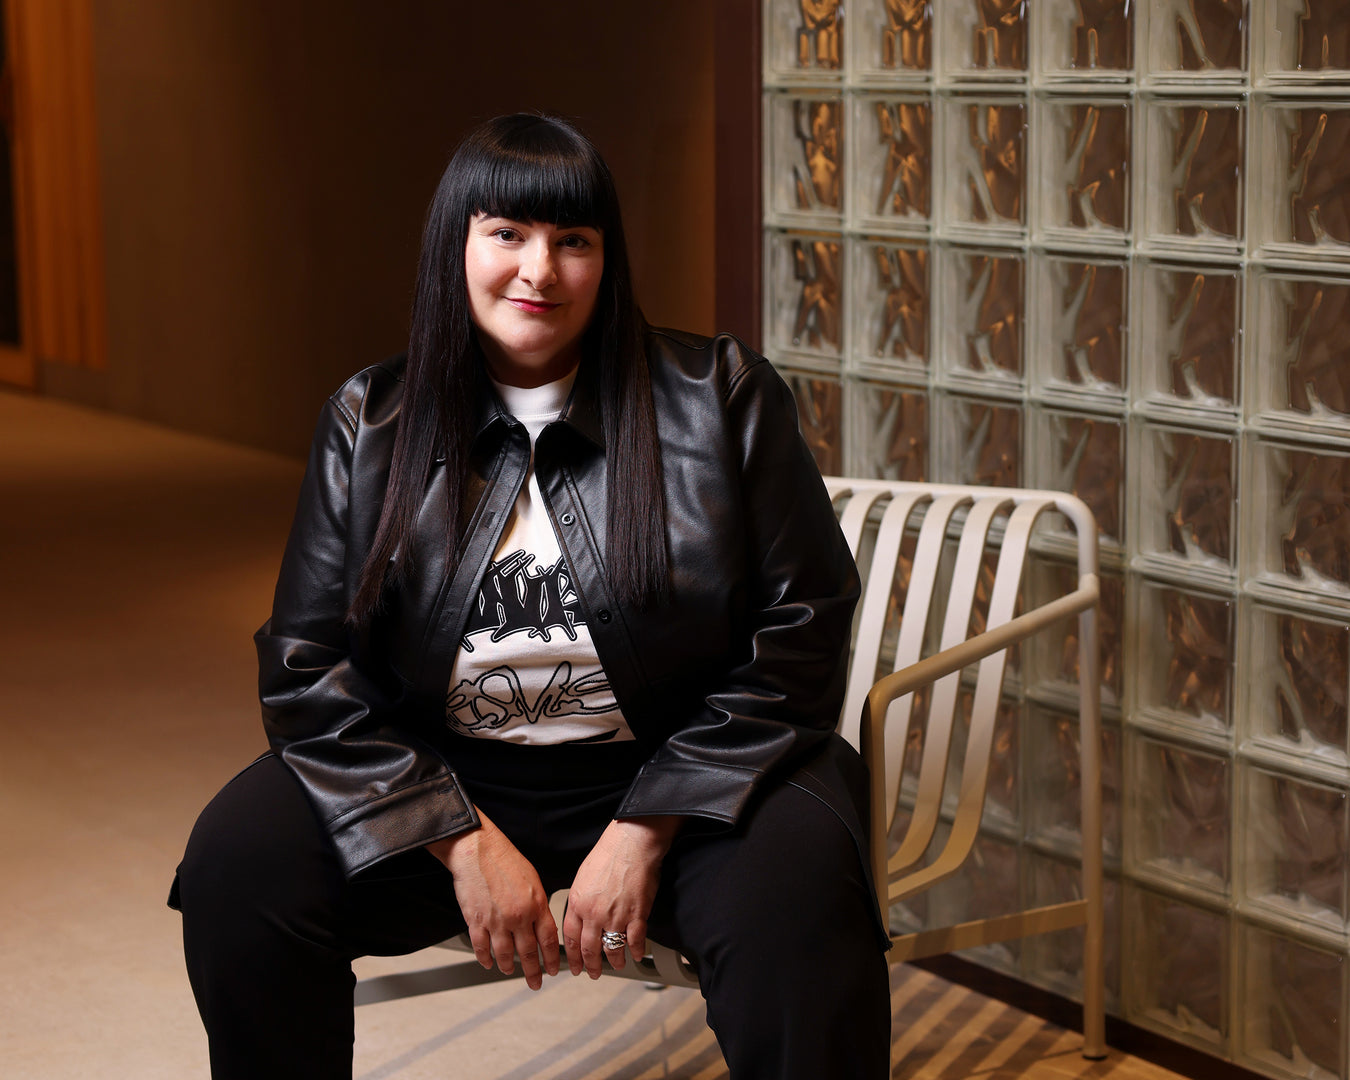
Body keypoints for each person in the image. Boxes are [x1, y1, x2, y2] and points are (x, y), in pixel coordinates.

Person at [171, 113, 891, 1080]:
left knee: (798, 892)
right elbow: (307, 668)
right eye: (507, 233)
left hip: (690, 770)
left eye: (573, 240)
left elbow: (805, 624)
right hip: (446, 775)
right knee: (238, 862)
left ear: (607, 260)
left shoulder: (719, 394)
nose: (539, 271)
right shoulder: (370, 419)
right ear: (456, 246)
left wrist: (648, 824)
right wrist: (453, 835)